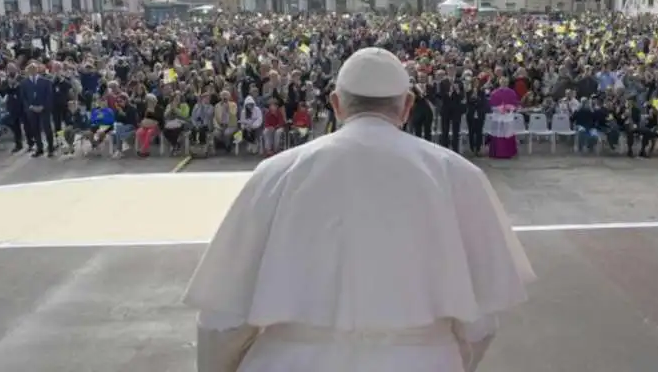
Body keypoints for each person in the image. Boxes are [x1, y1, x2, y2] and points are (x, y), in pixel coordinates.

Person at [184, 47, 534, 372]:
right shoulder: (458, 175)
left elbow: (223, 319)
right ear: (408, 105)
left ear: (336, 104)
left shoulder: (276, 173)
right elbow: (481, 321)